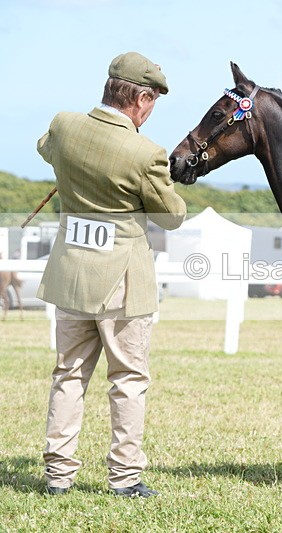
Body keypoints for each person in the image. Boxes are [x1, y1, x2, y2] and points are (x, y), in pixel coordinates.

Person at [36, 52, 186, 497]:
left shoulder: (64, 125)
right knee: (128, 380)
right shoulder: (146, 152)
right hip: (122, 282)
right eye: (153, 100)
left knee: (68, 375)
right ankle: (124, 478)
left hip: (71, 272)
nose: (152, 108)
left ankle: (58, 477)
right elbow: (173, 216)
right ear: (140, 96)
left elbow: (46, 150)